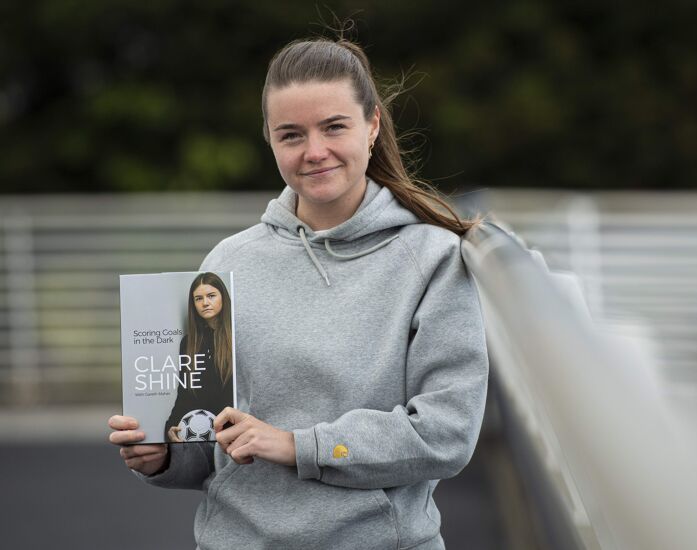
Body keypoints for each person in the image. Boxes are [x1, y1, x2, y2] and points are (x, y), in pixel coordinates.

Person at [108, 37, 488, 550]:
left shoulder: (435, 259)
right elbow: (207, 440)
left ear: (372, 125)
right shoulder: (226, 264)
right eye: (291, 134)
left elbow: (446, 432)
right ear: (270, 140)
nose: (314, 151)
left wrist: (298, 445)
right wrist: (162, 456)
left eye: (334, 126)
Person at [164, 272, 234, 443]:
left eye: (211, 296)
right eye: (198, 299)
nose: (205, 303)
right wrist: (170, 426)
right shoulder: (189, 343)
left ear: (223, 298)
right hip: (200, 433)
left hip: (235, 433)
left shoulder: (237, 337)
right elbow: (186, 392)